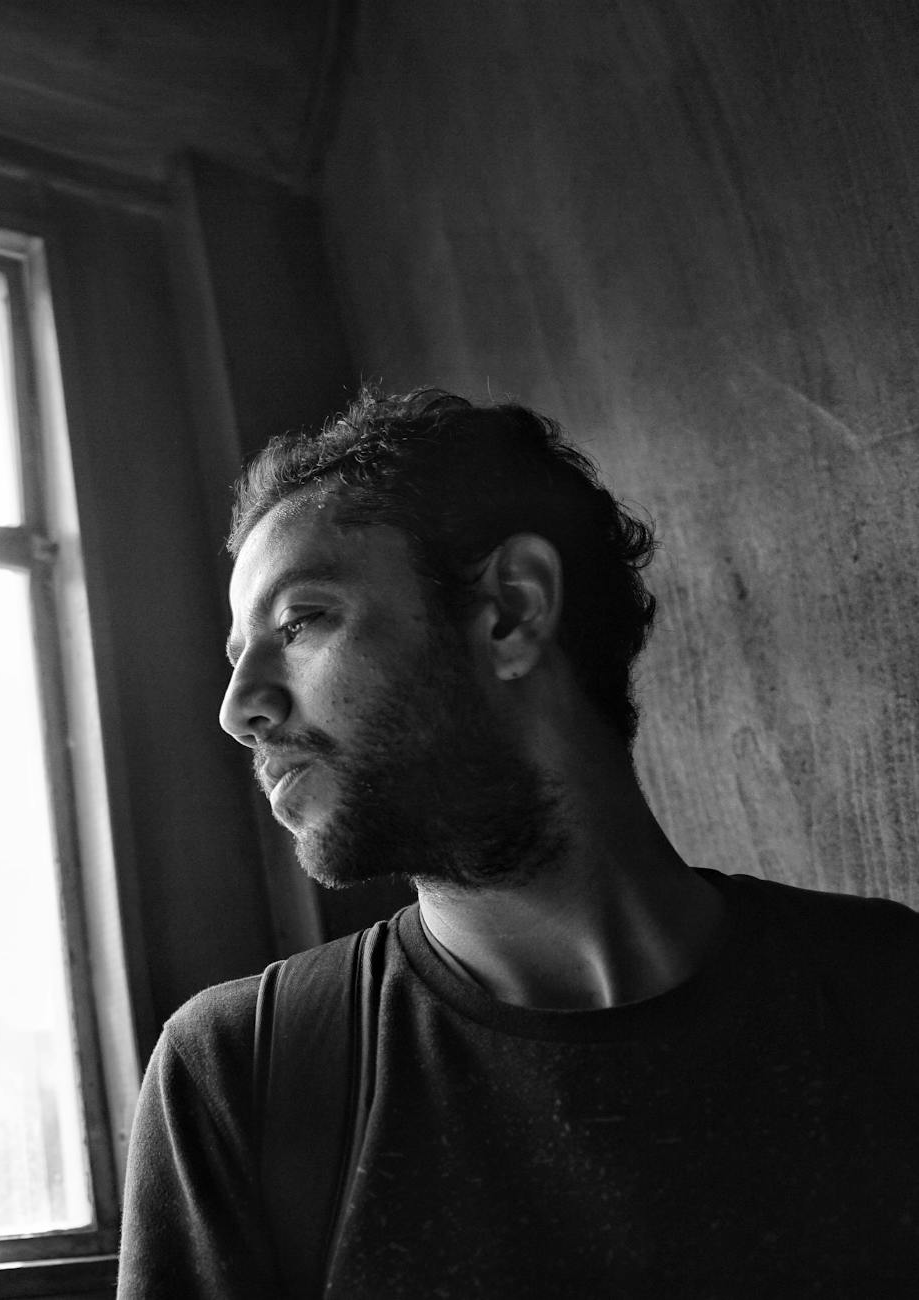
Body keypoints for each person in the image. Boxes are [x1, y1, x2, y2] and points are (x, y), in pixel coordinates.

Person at [117, 389, 919, 1297]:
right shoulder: (241, 1077)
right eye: (237, 657)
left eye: (299, 622)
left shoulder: (888, 992)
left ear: (510, 608)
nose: (238, 711)